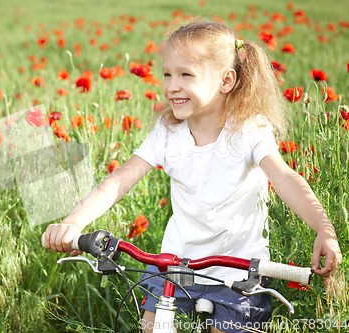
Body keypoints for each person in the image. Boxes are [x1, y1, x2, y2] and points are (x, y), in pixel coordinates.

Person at [42, 19, 342, 333]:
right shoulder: (168, 133)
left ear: (226, 81)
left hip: (237, 273)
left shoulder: (249, 130)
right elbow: (118, 181)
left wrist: (324, 229)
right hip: (175, 265)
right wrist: (74, 222)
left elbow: (284, 179)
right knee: (152, 327)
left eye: (186, 74)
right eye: (168, 74)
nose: (172, 85)